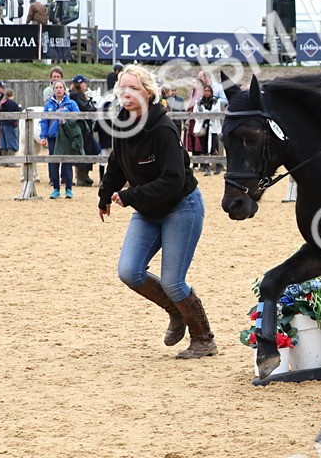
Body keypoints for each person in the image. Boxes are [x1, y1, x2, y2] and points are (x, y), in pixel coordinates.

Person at [98, 64, 214, 360]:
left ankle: (204, 339)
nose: (126, 92)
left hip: (182, 206)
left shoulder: (163, 128)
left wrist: (130, 195)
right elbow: (116, 163)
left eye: (133, 87)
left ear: (148, 94)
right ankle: (176, 312)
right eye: (122, 87)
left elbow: (173, 180)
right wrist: (104, 195)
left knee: (174, 280)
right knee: (129, 271)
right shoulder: (121, 123)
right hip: (148, 209)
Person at [39, 79, 82, 199]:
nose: (58, 90)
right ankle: (56, 188)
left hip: (66, 137)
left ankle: (68, 189)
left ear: (64, 89)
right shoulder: (49, 104)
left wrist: (67, 123)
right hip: (53, 137)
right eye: (56, 88)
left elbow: (78, 118)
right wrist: (43, 136)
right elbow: (44, 121)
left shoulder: (71, 104)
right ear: (53, 90)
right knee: (54, 162)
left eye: (60, 87)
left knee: (67, 162)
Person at [187, 84, 226, 176]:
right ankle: (206, 167)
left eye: (209, 91)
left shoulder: (216, 101)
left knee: (213, 148)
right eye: (205, 91)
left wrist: (205, 113)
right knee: (203, 148)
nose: (207, 92)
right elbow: (196, 112)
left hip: (213, 127)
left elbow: (215, 111)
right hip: (203, 127)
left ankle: (218, 164)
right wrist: (204, 115)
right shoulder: (199, 102)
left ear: (211, 92)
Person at [69, 75, 100, 187]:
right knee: (84, 150)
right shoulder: (76, 95)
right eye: (84, 82)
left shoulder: (80, 95)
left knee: (90, 149)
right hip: (81, 127)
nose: (85, 84)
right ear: (79, 83)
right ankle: (81, 177)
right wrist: (96, 109)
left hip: (85, 127)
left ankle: (85, 175)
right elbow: (85, 107)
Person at [0, 88, 21, 155]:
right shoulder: (12, 103)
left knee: (4, 142)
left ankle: (5, 161)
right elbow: (17, 111)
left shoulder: (2, 102)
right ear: (12, 95)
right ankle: (11, 161)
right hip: (9, 124)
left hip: (3, 124)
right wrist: (20, 108)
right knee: (11, 141)